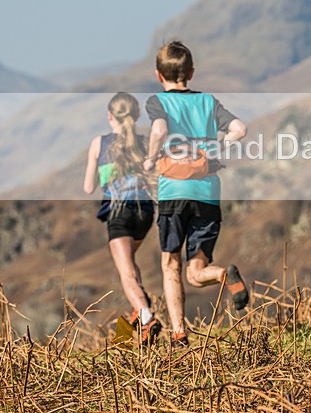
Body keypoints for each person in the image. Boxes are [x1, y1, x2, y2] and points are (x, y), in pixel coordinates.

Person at [143, 41, 250, 347]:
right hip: (206, 192)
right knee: (196, 271)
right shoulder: (207, 101)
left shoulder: (158, 102)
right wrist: (216, 149)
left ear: (158, 74)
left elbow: (160, 131)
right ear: (191, 72)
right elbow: (240, 129)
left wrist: (151, 158)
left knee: (171, 265)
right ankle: (221, 276)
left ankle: (179, 335)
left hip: (173, 193)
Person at [83, 92, 160, 344]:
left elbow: (88, 187)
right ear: (136, 115)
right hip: (145, 212)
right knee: (131, 262)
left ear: (109, 116)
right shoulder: (144, 142)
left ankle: (146, 316)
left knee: (125, 273)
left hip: (118, 213)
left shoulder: (99, 143)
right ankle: (141, 309)